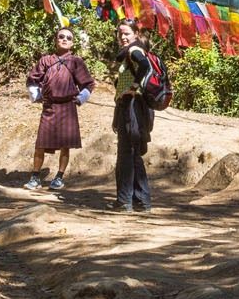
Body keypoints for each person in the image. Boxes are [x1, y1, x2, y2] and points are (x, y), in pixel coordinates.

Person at [24, 27, 95, 191]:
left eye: (68, 38)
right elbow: (32, 79)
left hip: (68, 107)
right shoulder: (45, 60)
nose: (65, 39)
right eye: (61, 36)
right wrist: (36, 95)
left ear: (73, 42)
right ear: (55, 39)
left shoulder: (76, 61)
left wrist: (81, 97)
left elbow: (89, 83)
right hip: (49, 106)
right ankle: (35, 176)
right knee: (40, 144)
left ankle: (59, 177)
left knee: (66, 145)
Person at [110, 21, 153, 213]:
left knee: (126, 154)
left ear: (136, 33)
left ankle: (124, 201)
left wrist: (134, 88)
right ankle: (140, 201)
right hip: (131, 107)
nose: (122, 37)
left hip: (133, 107)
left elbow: (145, 66)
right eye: (120, 34)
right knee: (133, 153)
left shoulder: (134, 50)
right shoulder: (132, 50)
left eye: (126, 33)